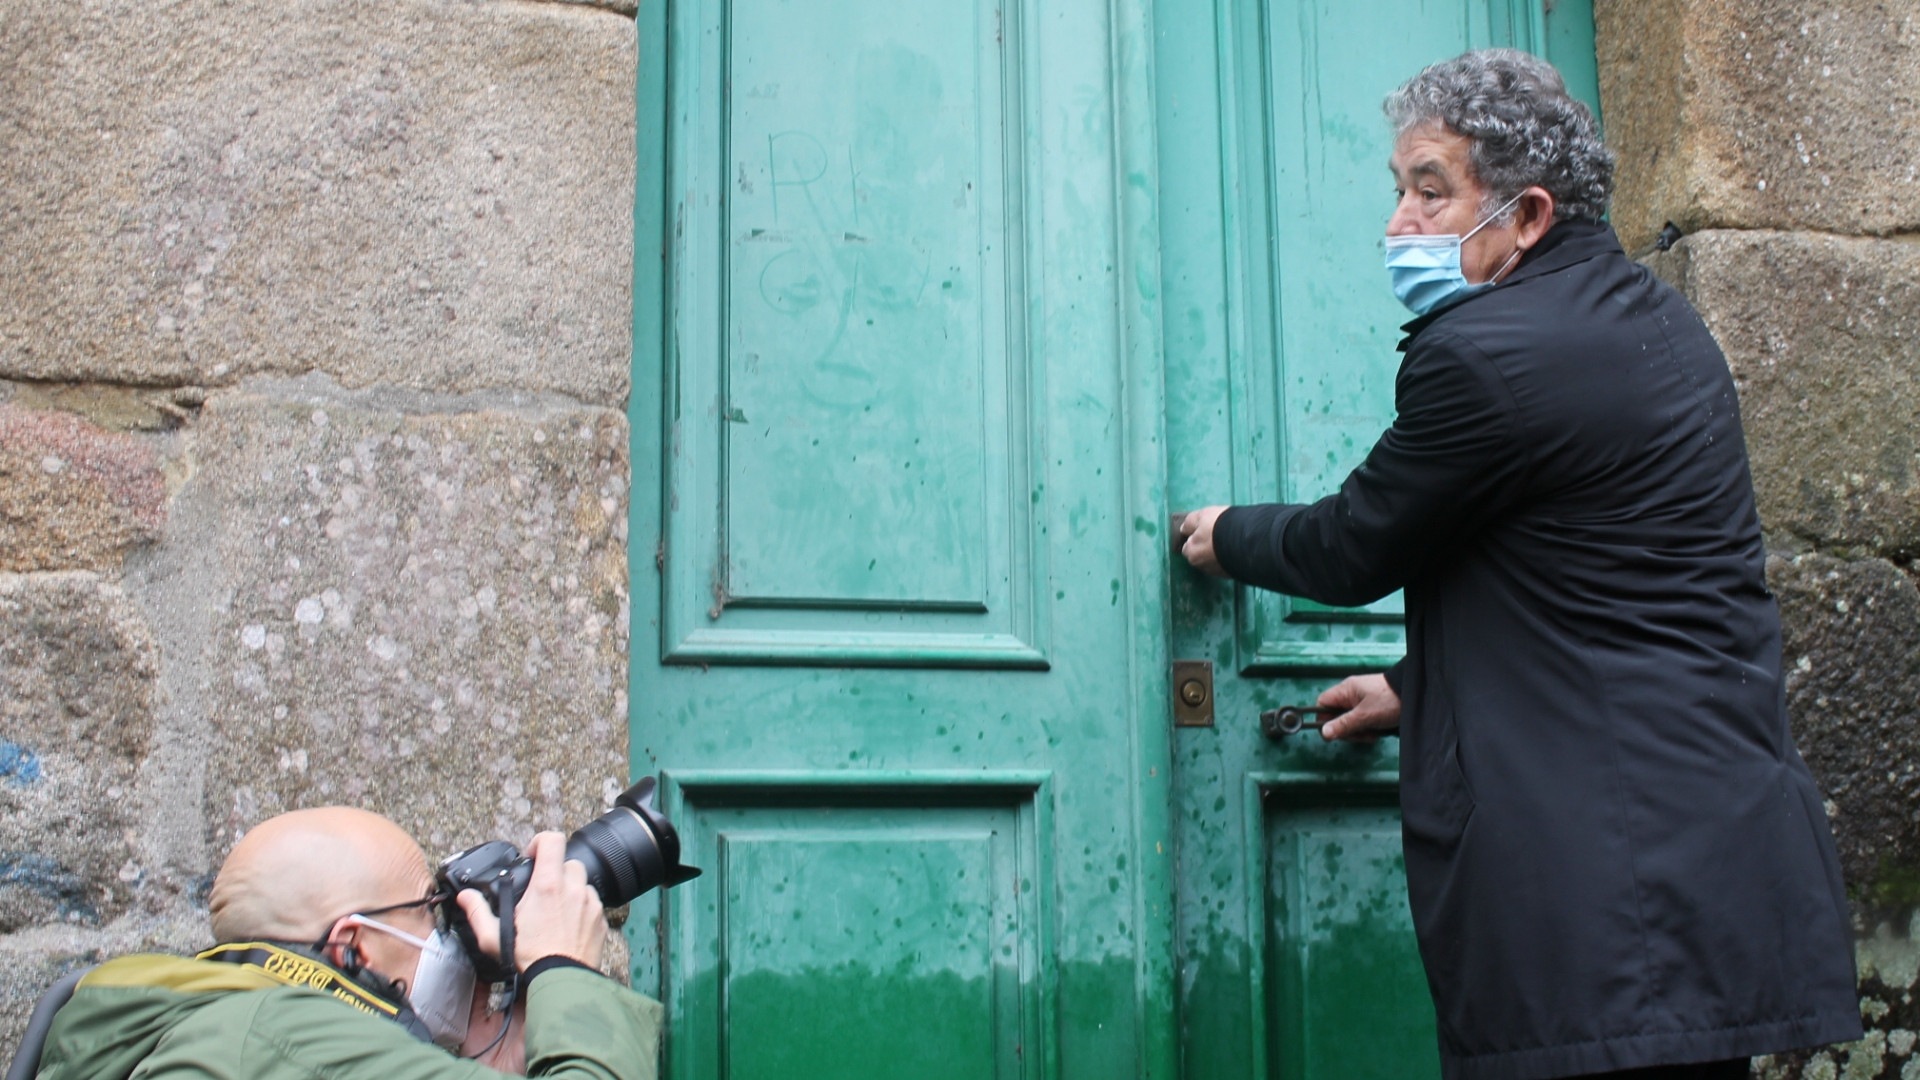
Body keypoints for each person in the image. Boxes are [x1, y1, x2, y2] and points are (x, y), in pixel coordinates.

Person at [1179, 49, 1860, 1080]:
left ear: (1531, 215)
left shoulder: (1488, 354)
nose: (1399, 223)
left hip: (1602, 902)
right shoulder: (1661, 324)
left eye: (1430, 191)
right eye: (1399, 189)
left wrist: (1222, 533)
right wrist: (1422, 688)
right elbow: (1614, 586)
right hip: (1706, 861)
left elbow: (1353, 544)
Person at [32, 806, 660, 1080]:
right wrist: (565, 967)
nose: (453, 943)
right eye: (432, 914)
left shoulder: (227, 1031)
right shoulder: (277, 1032)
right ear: (352, 947)